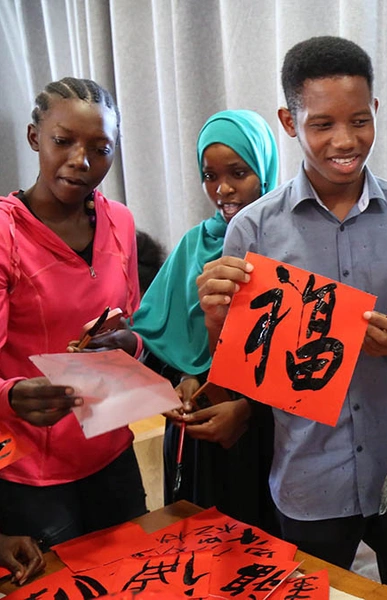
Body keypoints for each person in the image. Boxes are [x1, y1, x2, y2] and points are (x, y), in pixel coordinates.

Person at [196, 36, 387, 598]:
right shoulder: (255, 229)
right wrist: (217, 316)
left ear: (376, 113)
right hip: (308, 473)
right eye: (322, 125)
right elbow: (238, 358)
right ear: (290, 121)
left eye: (359, 121)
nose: (345, 141)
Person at [0, 77, 146, 547]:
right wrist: (12, 395)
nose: (81, 162)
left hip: (112, 451)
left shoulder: (119, 221)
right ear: (34, 138)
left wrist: (129, 345)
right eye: (63, 142)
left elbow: (135, 326)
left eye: (101, 148)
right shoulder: (6, 234)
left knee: (133, 577)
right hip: (31, 472)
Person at [128, 110, 279, 532]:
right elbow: (156, 340)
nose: (223, 189)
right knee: (203, 553)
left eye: (239, 172)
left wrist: (248, 410)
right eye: (210, 176)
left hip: (272, 438)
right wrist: (184, 379)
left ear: (264, 171)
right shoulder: (194, 245)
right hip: (200, 437)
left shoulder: (286, 245)